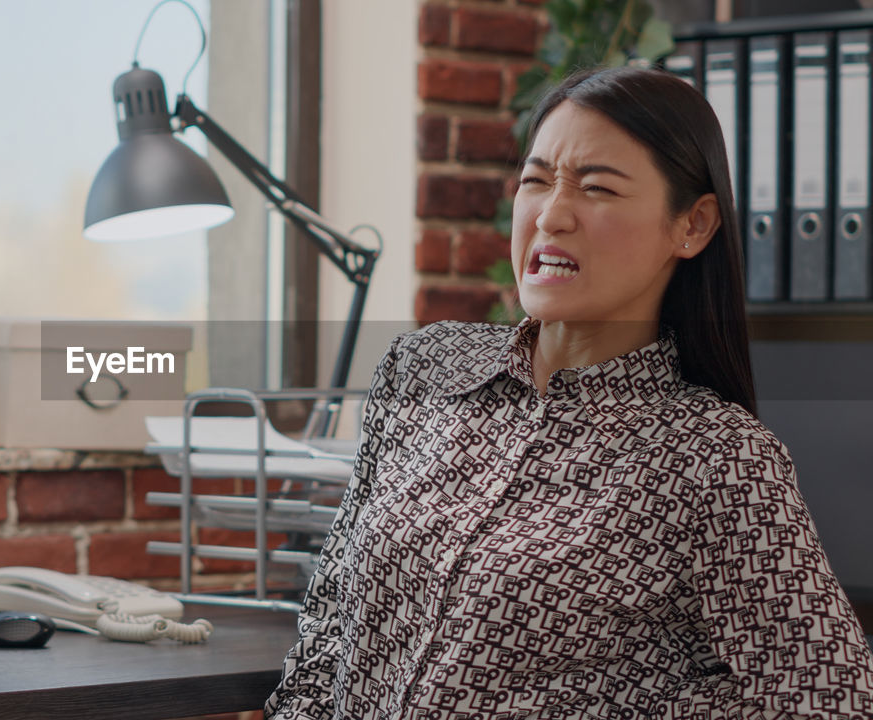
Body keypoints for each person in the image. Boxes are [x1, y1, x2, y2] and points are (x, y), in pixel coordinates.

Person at [265, 66, 873, 719]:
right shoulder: (422, 369)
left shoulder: (716, 455)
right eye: (535, 180)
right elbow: (328, 625)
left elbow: (831, 696)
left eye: (596, 187)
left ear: (692, 226)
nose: (552, 214)